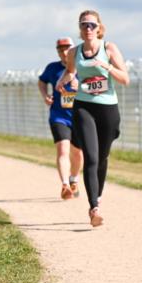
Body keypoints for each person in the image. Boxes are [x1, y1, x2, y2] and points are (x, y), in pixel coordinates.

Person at [57, 9, 130, 227]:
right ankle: (94, 208)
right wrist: (63, 81)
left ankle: (97, 194)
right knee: (91, 156)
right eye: (83, 25)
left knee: (103, 157)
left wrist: (106, 66)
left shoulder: (109, 48)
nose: (88, 29)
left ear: (99, 28)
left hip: (108, 109)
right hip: (83, 107)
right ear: (79, 30)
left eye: (91, 25)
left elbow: (125, 78)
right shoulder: (74, 52)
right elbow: (70, 72)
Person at [39, 37, 84, 200]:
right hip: (59, 116)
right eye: (60, 49)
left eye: (67, 48)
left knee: (78, 153)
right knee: (63, 149)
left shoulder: (82, 67)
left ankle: (74, 180)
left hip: (79, 116)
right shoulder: (52, 68)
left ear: (73, 50)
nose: (64, 52)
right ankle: (65, 185)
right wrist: (45, 96)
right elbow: (41, 81)